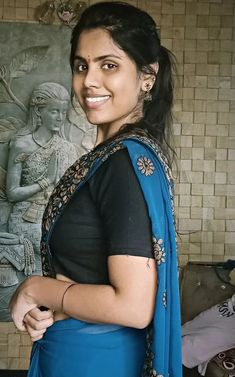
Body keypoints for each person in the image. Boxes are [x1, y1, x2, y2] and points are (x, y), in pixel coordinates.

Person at [9, 2, 182, 377]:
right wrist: (55, 306)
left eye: (109, 65)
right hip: (76, 349)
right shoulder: (111, 157)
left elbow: (134, 307)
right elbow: (88, 275)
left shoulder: (124, 162)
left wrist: (37, 288)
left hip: (97, 359)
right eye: (81, 65)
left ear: (147, 76)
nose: (89, 80)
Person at [6, 82, 78, 272]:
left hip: (57, 215)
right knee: (56, 245)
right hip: (26, 218)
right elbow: (12, 194)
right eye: (54, 111)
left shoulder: (68, 149)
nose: (60, 118)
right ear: (39, 111)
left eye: (63, 112)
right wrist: (46, 181)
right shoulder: (22, 145)